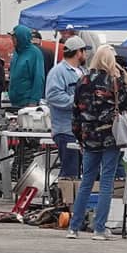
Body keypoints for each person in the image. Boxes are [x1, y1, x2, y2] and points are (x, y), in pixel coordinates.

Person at [68, 44, 127, 240]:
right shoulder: (114, 81)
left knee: (86, 181)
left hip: (89, 135)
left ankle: (74, 227)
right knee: (106, 181)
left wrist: (79, 136)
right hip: (110, 136)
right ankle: (99, 228)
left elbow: (75, 111)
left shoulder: (82, 80)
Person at [45, 35, 90, 181]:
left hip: (80, 131)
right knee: (70, 173)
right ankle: (65, 201)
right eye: (84, 51)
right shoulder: (58, 72)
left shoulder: (83, 72)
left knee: (77, 173)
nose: (86, 54)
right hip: (65, 130)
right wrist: (78, 102)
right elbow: (52, 96)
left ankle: (73, 201)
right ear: (78, 52)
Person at [7, 23, 45, 108]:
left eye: (14, 37)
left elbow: (39, 78)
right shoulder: (16, 52)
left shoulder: (35, 53)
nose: (12, 39)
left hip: (27, 102)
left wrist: (34, 100)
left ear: (21, 37)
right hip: (14, 102)